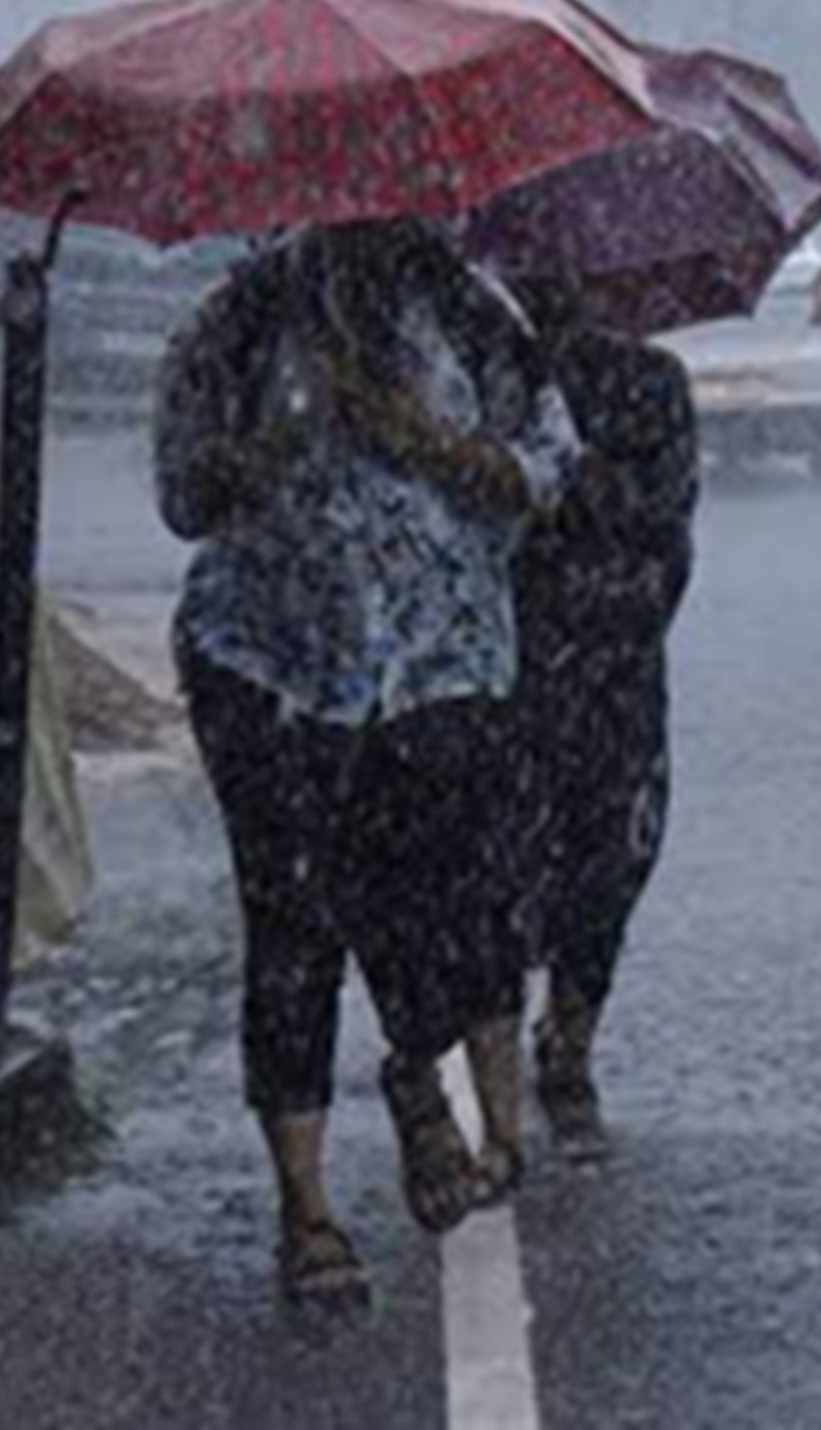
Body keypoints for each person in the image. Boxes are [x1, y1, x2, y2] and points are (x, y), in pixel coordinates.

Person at [156, 219, 578, 1305]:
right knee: (292, 924)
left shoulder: (476, 314)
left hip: (441, 663)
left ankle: (422, 1079)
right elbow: (182, 496)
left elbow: (542, 469)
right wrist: (268, 455)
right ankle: (306, 1211)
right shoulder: (238, 319)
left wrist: (413, 435)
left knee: (434, 900)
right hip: (270, 665)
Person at [505, 280, 698, 1165]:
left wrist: (584, 477)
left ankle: (571, 1040)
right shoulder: (483, 377)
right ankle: (489, 1039)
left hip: (613, 662)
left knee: (608, 858)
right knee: (492, 861)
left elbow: (668, 530)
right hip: (498, 663)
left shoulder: (650, 384)